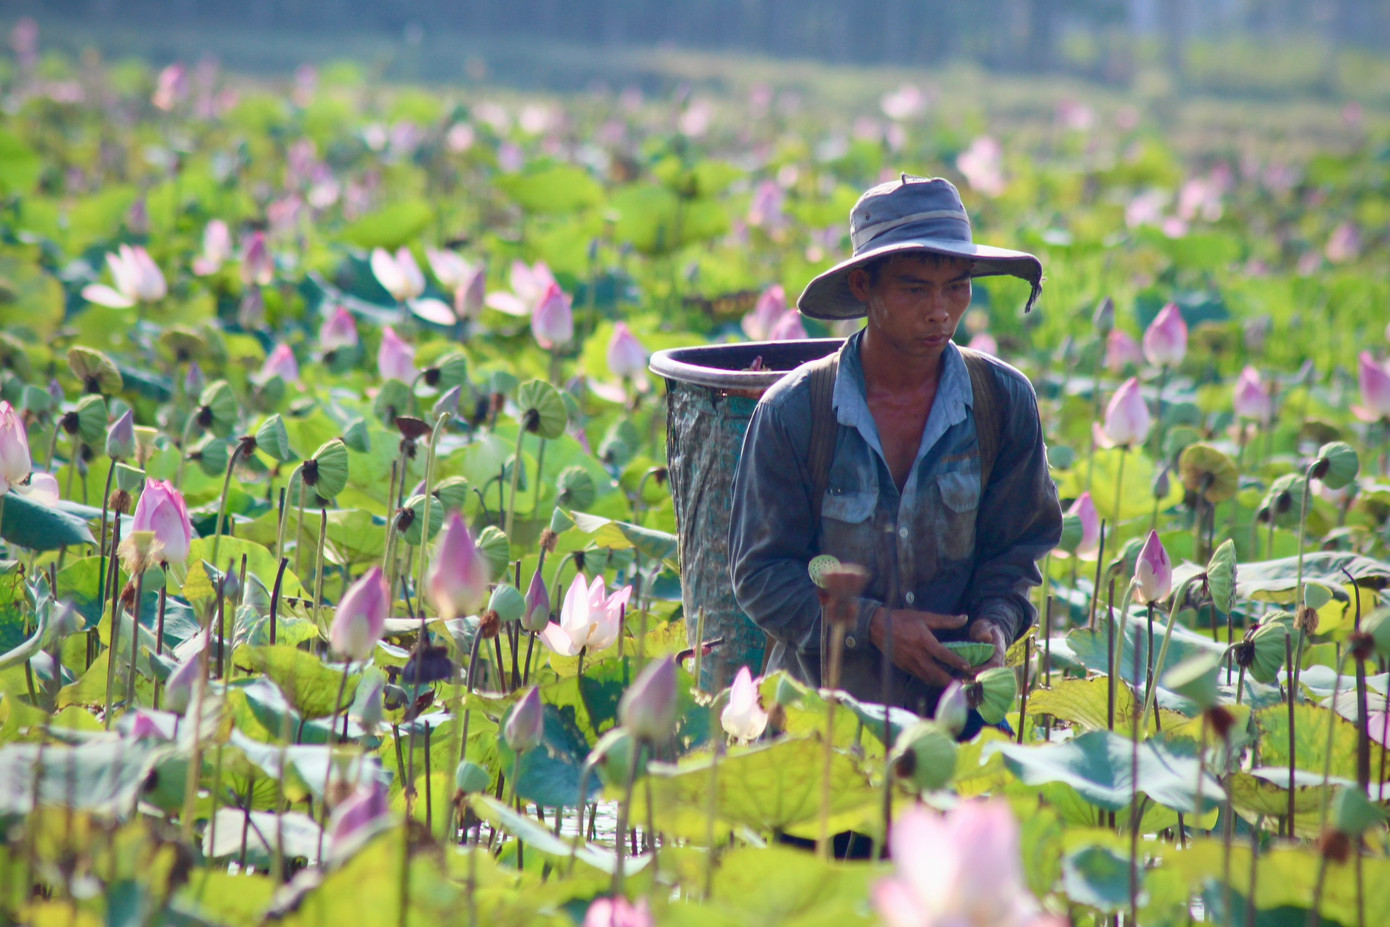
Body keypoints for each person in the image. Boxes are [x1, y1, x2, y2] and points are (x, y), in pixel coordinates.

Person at [729, 174, 1062, 719]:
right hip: (820, 726)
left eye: (957, 286)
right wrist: (873, 626)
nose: (940, 311)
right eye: (915, 289)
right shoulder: (793, 411)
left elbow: (1017, 551)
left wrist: (995, 622)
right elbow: (760, 577)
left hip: (956, 725)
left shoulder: (1004, 402)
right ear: (863, 286)